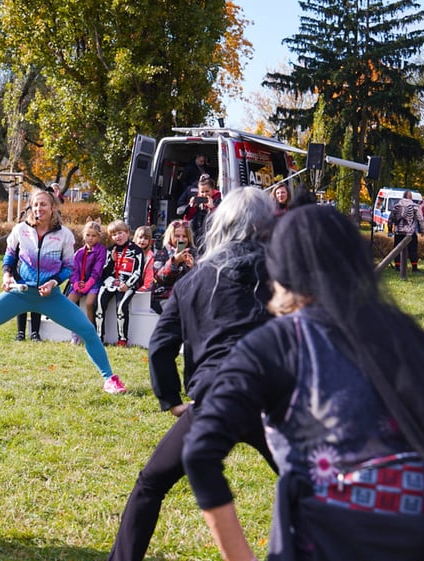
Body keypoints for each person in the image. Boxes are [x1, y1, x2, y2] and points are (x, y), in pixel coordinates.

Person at [182, 204, 424, 561]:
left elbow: (201, 451)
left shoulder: (276, 344)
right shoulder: (402, 335)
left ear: (279, 268)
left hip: (324, 542)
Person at [107, 188, 278, 561]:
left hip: (215, 401)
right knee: (318, 486)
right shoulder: (284, 276)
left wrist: (171, 399)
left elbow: (161, 346)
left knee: (150, 484)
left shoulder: (193, 280)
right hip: (272, 402)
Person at [0, 188, 127, 394]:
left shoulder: (64, 235)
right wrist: (7, 276)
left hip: (50, 297)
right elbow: (10, 256)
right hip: (19, 293)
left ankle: (110, 379)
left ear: (53, 207)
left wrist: (53, 282)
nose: (39, 208)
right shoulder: (20, 230)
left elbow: (68, 267)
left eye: (43, 204)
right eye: (35, 204)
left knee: (88, 331)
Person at [96, 220, 144, 347]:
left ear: (127, 233)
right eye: (114, 234)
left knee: (121, 307)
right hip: (111, 282)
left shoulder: (137, 251)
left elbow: (138, 272)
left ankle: (122, 339)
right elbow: (104, 272)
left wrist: (128, 284)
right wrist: (112, 261)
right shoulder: (110, 250)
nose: (117, 236)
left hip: (128, 283)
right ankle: (99, 337)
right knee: (99, 303)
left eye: (120, 233)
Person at [67, 220, 107, 341]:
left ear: (98, 237)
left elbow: (97, 270)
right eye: (88, 235)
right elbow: (74, 270)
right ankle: (75, 331)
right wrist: (76, 283)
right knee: (69, 302)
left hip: (94, 282)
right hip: (80, 282)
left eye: (94, 236)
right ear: (83, 235)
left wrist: (88, 284)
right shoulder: (79, 253)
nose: (90, 238)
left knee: (89, 303)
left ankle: (91, 333)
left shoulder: (101, 250)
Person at [149, 220, 196, 314]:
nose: (181, 239)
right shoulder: (162, 253)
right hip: (165, 296)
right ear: (170, 237)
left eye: (184, 236)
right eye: (177, 236)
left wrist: (193, 268)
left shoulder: (194, 253)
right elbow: (159, 278)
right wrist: (174, 262)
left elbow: (202, 279)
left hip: (188, 296)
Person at [179, 175, 221, 250]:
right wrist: (191, 207)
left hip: (211, 239)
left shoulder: (218, 201)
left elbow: (221, 220)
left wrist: (212, 208)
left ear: (212, 190)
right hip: (196, 237)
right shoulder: (196, 201)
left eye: (207, 191)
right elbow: (188, 219)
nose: (204, 194)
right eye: (202, 192)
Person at [388, 191, 424, 272]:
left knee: (397, 249)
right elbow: (420, 219)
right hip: (410, 232)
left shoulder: (396, 206)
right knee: (413, 250)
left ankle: (397, 266)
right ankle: (414, 268)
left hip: (398, 232)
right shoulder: (414, 206)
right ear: (410, 197)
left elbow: (390, 219)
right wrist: (422, 230)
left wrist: (390, 230)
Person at [132, 225, 155, 292]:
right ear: (135, 238)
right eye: (140, 237)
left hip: (140, 285)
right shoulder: (130, 251)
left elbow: (149, 273)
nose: (142, 240)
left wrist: (145, 287)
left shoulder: (149, 256)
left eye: (146, 238)